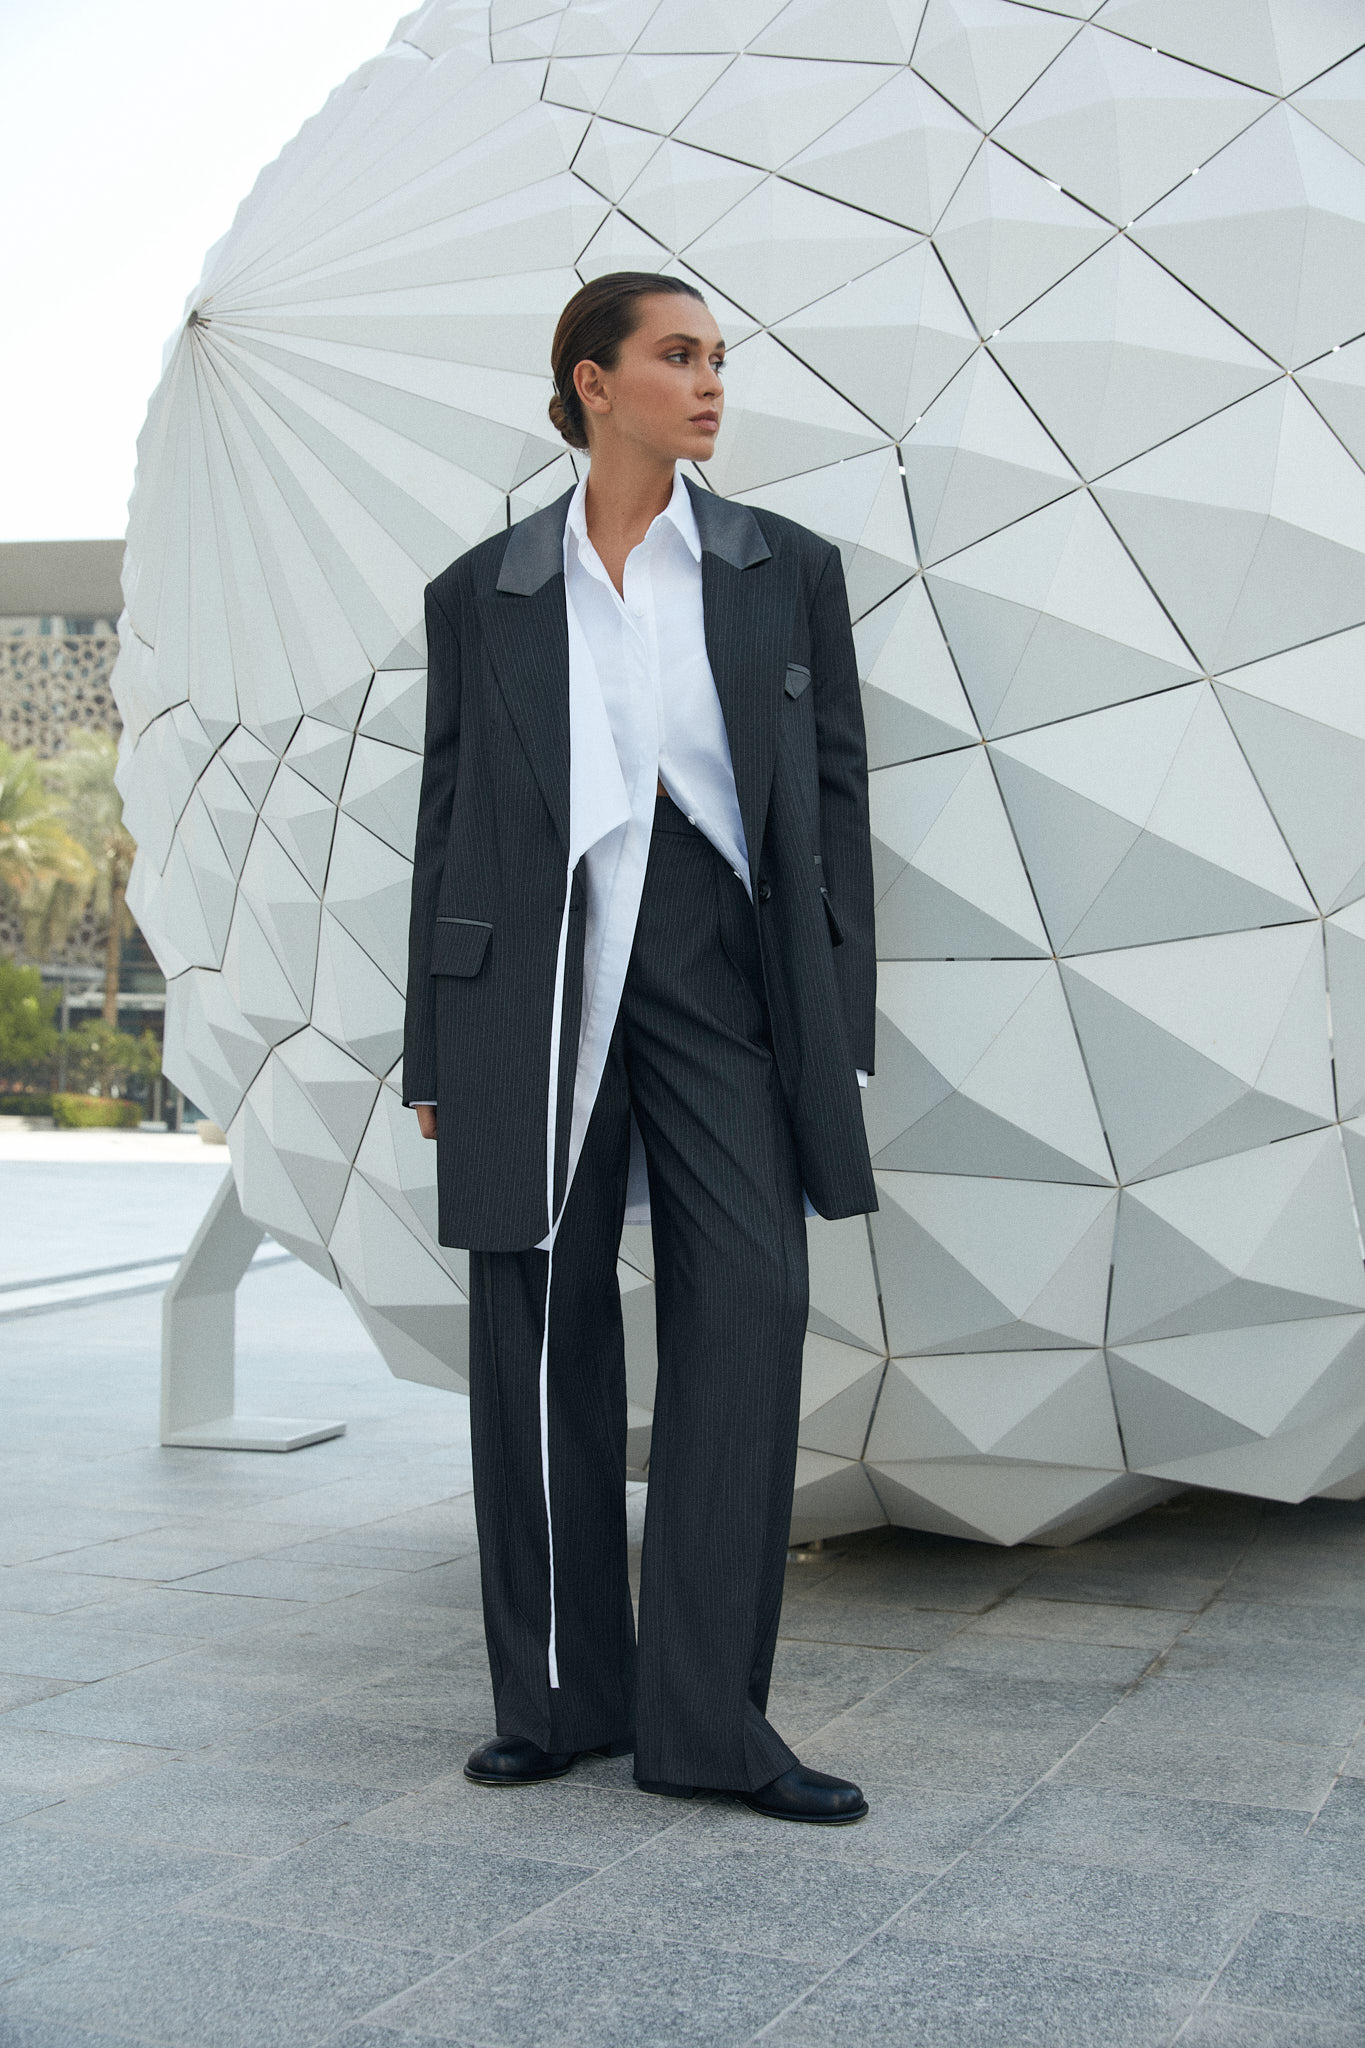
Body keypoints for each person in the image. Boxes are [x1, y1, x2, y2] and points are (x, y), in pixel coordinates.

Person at [403, 271, 878, 1824]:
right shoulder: (481, 591)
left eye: (717, 357)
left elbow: (833, 802)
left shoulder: (781, 569)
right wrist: (433, 1049)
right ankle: (555, 1702)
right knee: (538, 1339)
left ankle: (707, 1725)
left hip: (719, 972)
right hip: (531, 984)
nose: (711, 381)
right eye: (678, 355)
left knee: (747, 1308)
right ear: (593, 384)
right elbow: (448, 824)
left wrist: (831, 1016)